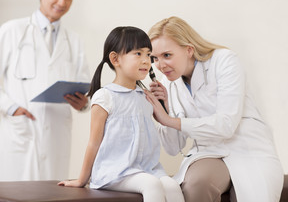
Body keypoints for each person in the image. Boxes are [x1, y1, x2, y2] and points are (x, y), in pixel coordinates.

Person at [144, 16, 284, 202]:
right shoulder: (168, 84)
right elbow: (172, 148)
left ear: (189, 50)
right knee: (196, 185)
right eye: (155, 58)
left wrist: (170, 120)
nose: (160, 65)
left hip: (248, 149)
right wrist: (165, 110)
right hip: (208, 152)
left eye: (167, 55)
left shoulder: (224, 61)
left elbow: (226, 125)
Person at [0, 0, 90, 181]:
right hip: (22, 132)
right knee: (15, 193)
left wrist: (84, 104)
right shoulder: (13, 31)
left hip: (56, 136)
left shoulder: (74, 41)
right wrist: (11, 107)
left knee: (53, 194)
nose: (62, 2)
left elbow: (83, 85)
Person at [58, 26, 185, 202]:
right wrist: (82, 180)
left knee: (171, 185)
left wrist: (164, 105)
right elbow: (93, 143)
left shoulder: (146, 97)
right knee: (151, 185)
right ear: (115, 59)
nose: (146, 61)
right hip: (115, 171)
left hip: (147, 168)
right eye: (138, 54)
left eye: (148, 55)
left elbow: (169, 135)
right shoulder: (105, 97)